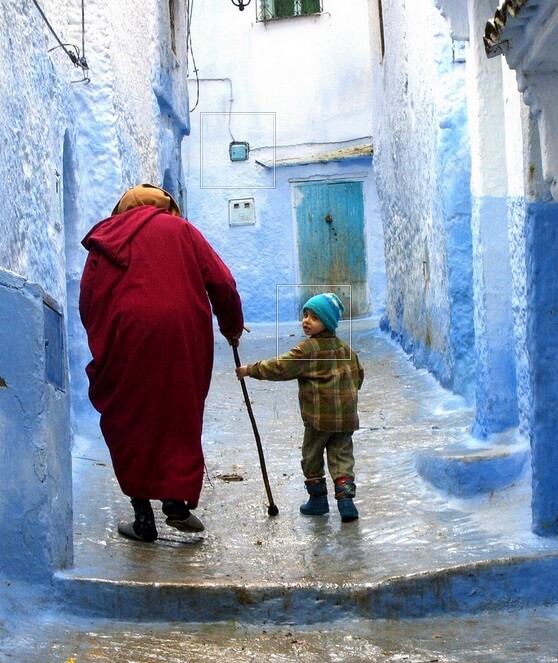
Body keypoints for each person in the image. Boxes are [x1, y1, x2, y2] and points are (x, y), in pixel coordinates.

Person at [79, 183, 244, 542]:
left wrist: (104, 339)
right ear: (166, 206)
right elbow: (223, 282)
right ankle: (175, 501)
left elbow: (88, 300)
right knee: (178, 409)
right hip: (181, 333)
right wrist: (231, 326)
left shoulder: (103, 239)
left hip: (124, 334)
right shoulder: (181, 229)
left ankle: (143, 519)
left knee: (129, 417)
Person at [235, 293, 363, 522]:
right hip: (345, 419)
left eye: (314, 317)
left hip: (319, 419)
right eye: (305, 315)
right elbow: (358, 377)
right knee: (342, 458)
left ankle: (318, 501)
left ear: (328, 322)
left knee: (311, 456)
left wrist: (250, 370)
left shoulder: (308, 350)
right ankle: (346, 503)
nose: (306, 320)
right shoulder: (347, 350)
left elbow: (281, 367)